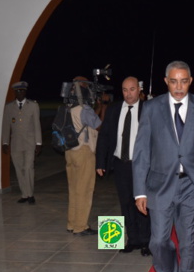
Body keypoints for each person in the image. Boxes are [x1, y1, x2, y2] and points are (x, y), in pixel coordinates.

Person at [133, 60, 194, 272]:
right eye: (174, 81)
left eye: (184, 81)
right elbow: (142, 151)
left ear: (190, 80)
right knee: (158, 241)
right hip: (159, 186)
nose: (179, 87)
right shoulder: (151, 108)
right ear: (166, 81)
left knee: (190, 244)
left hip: (192, 186)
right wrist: (140, 190)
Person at [96, 76, 151, 254]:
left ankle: (146, 241)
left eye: (132, 89)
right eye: (125, 90)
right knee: (125, 203)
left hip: (142, 165)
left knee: (143, 204)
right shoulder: (114, 110)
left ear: (139, 90)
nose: (128, 94)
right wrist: (100, 162)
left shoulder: (148, 109)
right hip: (121, 164)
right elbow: (104, 136)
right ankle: (132, 239)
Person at [65, 76, 102, 236]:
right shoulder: (84, 109)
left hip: (70, 151)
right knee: (85, 190)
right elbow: (99, 125)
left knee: (73, 189)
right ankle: (81, 226)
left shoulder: (68, 107)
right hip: (84, 151)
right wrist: (102, 107)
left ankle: (72, 223)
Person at [1, 81, 42, 204]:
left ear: (25, 91)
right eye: (18, 91)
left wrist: (38, 143)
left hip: (30, 142)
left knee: (28, 167)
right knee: (19, 169)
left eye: (22, 90)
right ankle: (24, 194)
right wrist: (5, 142)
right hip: (16, 144)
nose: (20, 93)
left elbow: (37, 125)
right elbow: (6, 126)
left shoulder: (33, 106)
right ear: (15, 92)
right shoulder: (9, 107)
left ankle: (30, 194)